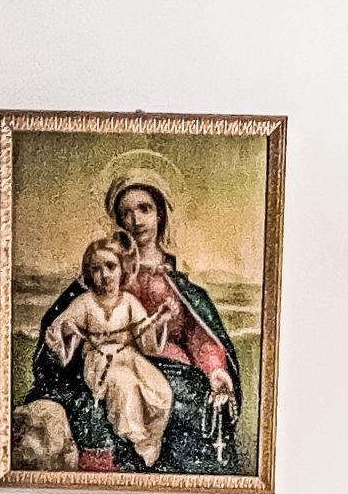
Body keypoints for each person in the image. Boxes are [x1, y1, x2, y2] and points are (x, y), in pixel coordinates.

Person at [27, 163, 244, 473]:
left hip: (172, 366)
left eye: (144, 209)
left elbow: (197, 335)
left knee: (187, 401)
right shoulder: (104, 270)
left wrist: (215, 369)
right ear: (118, 220)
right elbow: (68, 319)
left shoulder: (175, 282)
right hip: (111, 362)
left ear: (160, 214)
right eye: (126, 213)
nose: (136, 220)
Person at [42, 235, 174, 467]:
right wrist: (68, 331)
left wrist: (160, 320)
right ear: (89, 273)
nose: (104, 275)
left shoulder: (129, 302)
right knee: (124, 385)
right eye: (96, 269)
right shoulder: (85, 302)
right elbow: (58, 328)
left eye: (110, 267)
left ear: (123, 269)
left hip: (129, 357)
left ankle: (152, 440)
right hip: (100, 361)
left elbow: (146, 341)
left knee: (160, 389)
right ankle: (136, 442)